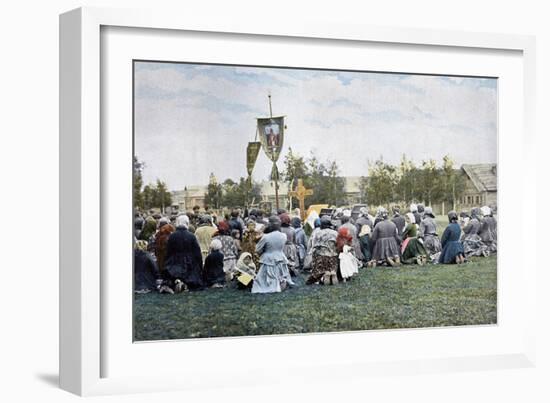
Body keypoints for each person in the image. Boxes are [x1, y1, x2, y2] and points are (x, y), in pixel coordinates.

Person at [252, 216, 295, 293]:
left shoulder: (266, 237)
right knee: (280, 272)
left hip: (268, 257)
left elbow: (257, 249)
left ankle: (272, 285)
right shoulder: (283, 236)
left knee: (266, 276)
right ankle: (281, 283)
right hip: (280, 256)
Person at [164, 215, 204, 291]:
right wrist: (200, 265)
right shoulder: (191, 236)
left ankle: (177, 282)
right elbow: (197, 252)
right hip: (189, 261)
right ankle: (184, 284)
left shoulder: (172, 236)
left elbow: (168, 251)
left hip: (174, 261)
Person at [306, 216, 339, 285]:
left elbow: (314, 245)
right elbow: (338, 244)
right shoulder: (335, 233)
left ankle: (321, 276)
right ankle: (332, 272)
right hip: (333, 256)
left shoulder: (318, 233)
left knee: (317, 268)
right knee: (333, 263)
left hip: (321, 256)